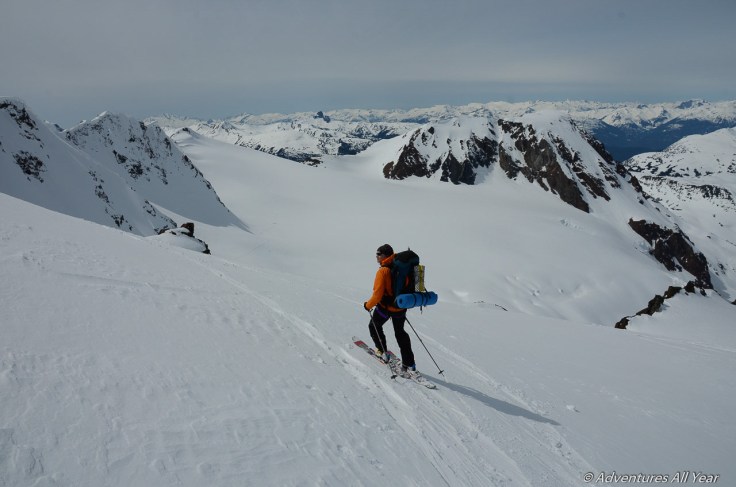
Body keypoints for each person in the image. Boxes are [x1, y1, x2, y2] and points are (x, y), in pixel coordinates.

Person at [363, 244, 416, 372]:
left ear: (385, 256)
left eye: (378, 254)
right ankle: (409, 363)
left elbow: (377, 295)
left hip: (385, 308)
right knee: (400, 333)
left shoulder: (383, 271)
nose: (376, 256)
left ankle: (382, 352)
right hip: (401, 307)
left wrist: (367, 305)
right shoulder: (401, 267)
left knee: (374, 326)